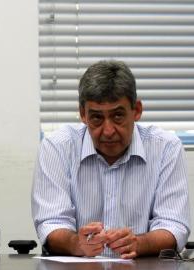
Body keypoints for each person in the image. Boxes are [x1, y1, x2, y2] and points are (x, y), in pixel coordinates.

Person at [31, 60, 190, 259]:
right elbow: (50, 223)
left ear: (137, 110)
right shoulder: (57, 147)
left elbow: (173, 226)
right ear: (82, 114)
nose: (107, 131)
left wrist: (139, 243)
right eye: (96, 118)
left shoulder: (166, 147)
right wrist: (75, 243)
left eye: (117, 116)